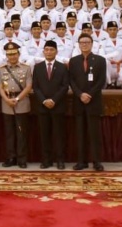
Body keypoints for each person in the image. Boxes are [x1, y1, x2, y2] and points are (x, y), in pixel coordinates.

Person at [69, 33, 106, 171]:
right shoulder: (73, 61)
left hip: (93, 101)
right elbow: (71, 81)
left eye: (87, 42)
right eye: (82, 42)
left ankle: (96, 162)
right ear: (78, 44)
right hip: (79, 102)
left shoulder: (100, 60)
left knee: (94, 133)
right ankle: (81, 161)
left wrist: (89, 94)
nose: (84, 44)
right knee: (80, 134)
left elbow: (101, 81)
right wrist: (80, 94)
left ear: (92, 44)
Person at [33, 40, 69, 170]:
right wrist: (44, 100)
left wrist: (53, 100)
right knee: (44, 135)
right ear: (43, 51)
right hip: (43, 106)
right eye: (46, 50)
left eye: (51, 50)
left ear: (56, 52)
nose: (48, 52)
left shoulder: (62, 67)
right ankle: (46, 160)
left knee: (59, 135)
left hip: (57, 106)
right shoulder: (37, 67)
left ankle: (60, 160)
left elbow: (65, 86)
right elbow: (35, 87)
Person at [0, 41, 32, 169]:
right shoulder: (1, 69)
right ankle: (11, 157)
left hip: (21, 102)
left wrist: (17, 99)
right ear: (6, 55)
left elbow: (28, 86)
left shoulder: (26, 68)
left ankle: (22, 159)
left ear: (18, 54)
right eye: (9, 54)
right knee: (9, 133)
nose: (12, 57)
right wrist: (6, 99)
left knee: (21, 132)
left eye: (14, 54)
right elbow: (0, 87)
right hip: (7, 102)